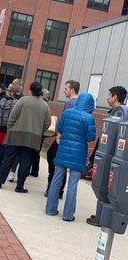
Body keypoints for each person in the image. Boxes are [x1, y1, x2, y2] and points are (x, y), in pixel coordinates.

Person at [46, 92, 96, 222]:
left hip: (63, 149)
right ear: (91, 105)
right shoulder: (89, 118)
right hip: (78, 154)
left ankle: (50, 209)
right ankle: (68, 215)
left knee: (56, 180)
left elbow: (60, 129)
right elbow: (90, 138)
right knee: (72, 184)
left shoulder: (67, 112)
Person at [0, 82, 51, 193]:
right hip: (33, 138)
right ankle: (19, 186)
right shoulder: (45, 105)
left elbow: (13, 116)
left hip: (16, 134)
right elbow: (47, 123)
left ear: (30, 90)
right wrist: (39, 132)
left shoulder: (23, 100)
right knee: (25, 162)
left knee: (8, 159)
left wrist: (10, 129)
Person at [86, 85, 127, 227]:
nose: (107, 98)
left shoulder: (121, 115)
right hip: (106, 156)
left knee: (108, 187)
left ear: (115, 97)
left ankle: (103, 217)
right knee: (101, 186)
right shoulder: (114, 113)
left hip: (112, 157)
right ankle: (100, 214)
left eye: (109, 95)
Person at [45, 80, 80, 198]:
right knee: (60, 163)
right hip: (70, 138)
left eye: (66, 89)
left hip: (63, 137)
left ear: (72, 90)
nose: (64, 91)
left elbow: (65, 120)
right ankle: (58, 189)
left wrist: (58, 133)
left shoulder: (70, 103)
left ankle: (54, 189)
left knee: (54, 160)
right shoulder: (79, 103)